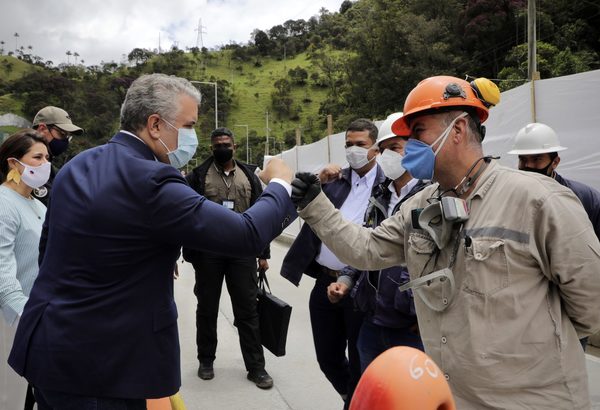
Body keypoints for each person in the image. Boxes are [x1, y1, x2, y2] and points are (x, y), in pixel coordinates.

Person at [290, 75, 600, 409]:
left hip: (530, 400)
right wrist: (316, 206)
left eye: (418, 131)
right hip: (451, 397)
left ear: (458, 129)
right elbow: (367, 249)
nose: (409, 145)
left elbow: (591, 306)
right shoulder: (420, 205)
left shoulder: (537, 200)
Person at [8, 73, 296, 409]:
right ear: (155, 125)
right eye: (188, 126)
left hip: (49, 351)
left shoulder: (78, 164)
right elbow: (246, 234)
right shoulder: (153, 178)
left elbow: (53, 253)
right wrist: (280, 183)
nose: (192, 137)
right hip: (106, 370)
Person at [281, 118, 385, 409]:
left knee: (360, 359)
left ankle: (354, 402)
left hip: (361, 286)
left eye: (360, 145)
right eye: (348, 144)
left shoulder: (384, 187)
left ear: (375, 148)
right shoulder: (335, 181)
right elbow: (299, 202)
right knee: (327, 358)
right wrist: (318, 179)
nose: (353, 150)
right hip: (325, 281)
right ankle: (351, 398)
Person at [327, 112, 428, 373]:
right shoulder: (380, 197)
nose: (389, 156)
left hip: (412, 328)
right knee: (372, 390)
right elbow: (369, 243)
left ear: (415, 149)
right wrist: (347, 280)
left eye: (395, 148)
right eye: (383, 150)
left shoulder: (429, 198)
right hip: (373, 320)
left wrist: (420, 311)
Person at [183, 127, 274, 389]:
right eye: (217, 145)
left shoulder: (249, 175)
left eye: (226, 144)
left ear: (234, 146)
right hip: (209, 255)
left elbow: (262, 215)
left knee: (248, 312)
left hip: (242, 253)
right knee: (207, 309)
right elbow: (188, 216)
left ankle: (256, 368)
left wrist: (262, 254)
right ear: (211, 149)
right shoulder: (197, 176)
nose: (222, 148)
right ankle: (206, 361)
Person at [507, 122, 600, 351]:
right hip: (526, 309)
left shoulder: (581, 197)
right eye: (523, 160)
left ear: (555, 162)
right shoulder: (510, 197)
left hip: (570, 308)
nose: (528, 166)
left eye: (536, 160)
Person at [0, 130, 50, 410]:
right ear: (13, 164)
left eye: (47, 158)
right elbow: (2, 268)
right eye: (37, 157)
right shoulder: (3, 204)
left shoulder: (37, 205)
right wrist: (23, 316)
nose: (45, 164)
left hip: (36, 315)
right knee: (11, 397)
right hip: (12, 319)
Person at [30, 106, 83, 205]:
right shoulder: (23, 164)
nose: (65, 141)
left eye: (68, 136)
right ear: (42, 129)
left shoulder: (52, 170)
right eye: (62, 134)